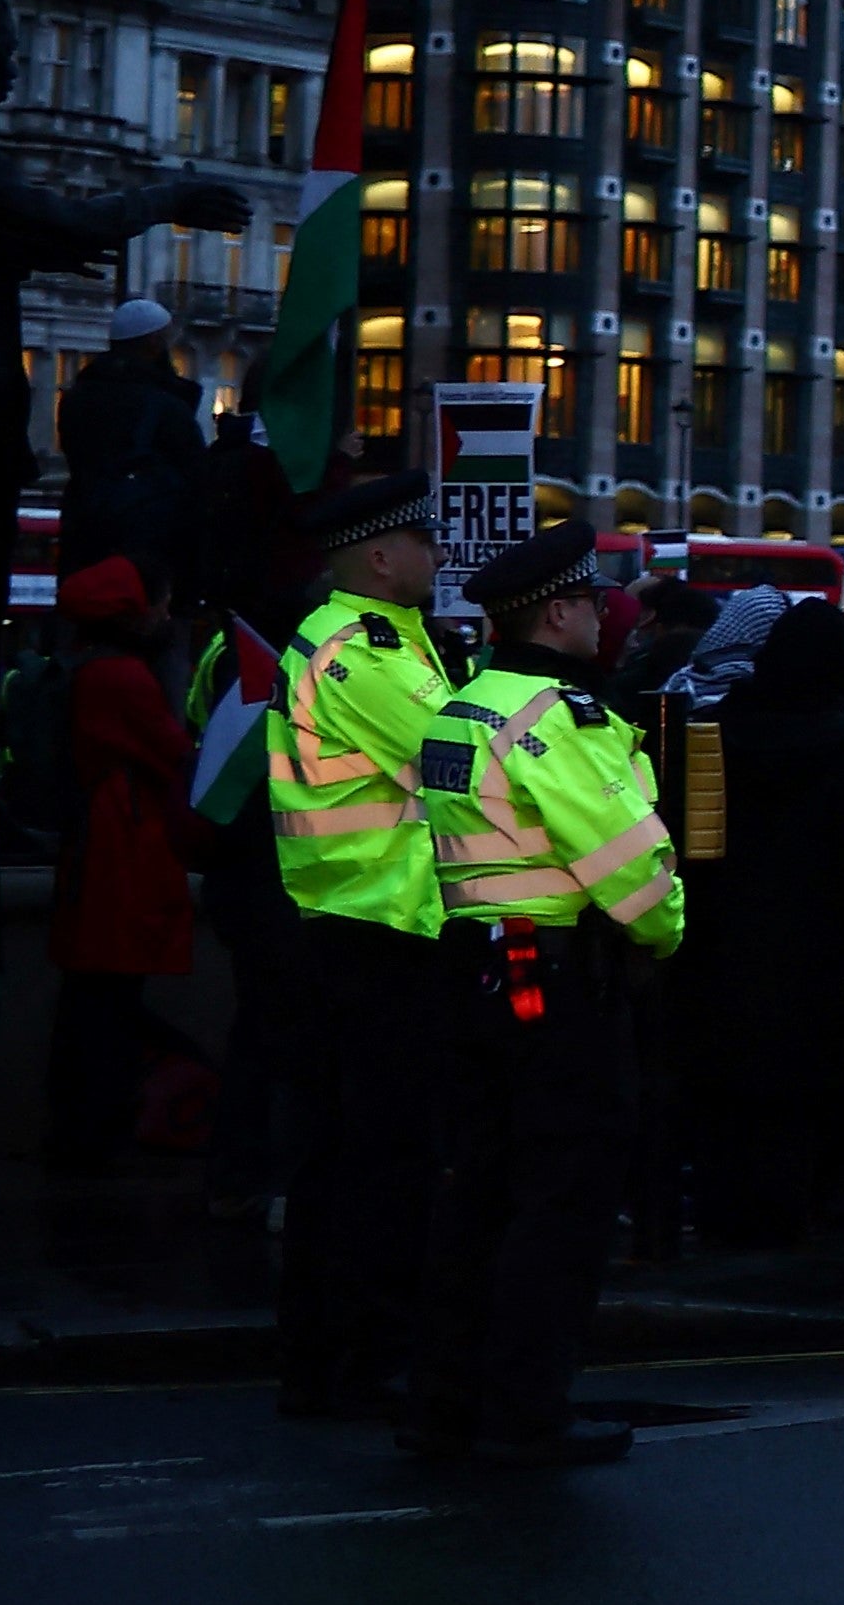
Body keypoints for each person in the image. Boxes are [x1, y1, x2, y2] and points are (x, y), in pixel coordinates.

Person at [406, 530, 677, 1469]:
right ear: (556, 611)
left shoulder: (463, 707)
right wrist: (664, 933)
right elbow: (634, 872)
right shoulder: (559, 718)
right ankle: (525, 1410)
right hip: (551, 979)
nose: (604, 616)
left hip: (474, 964)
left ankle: (447, 1399)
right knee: (560, 1199)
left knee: (477, 1191)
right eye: (593, 603)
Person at [264, 472, 450, 1423]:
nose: (435, 551)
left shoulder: (369, 642)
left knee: (343, 1160)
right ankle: (361, 1357)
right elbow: (468, 767)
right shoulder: (367, 657)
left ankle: (327, 1357)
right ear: (380, 556)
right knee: (379, 1163)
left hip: (354, 932)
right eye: (420, 539)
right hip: (379, 936)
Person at [693, 576, 844, 1246]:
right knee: (810, 1081)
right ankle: (806, 1208)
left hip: (728, 933)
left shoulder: (719, 730)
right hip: (819, 942)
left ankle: (729, 1211)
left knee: (733, 1085)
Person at [40, 555, 193, 1177]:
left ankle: (79, 1130)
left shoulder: (84, 671)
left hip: (96, 853)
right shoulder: (125, 679)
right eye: (157, 605)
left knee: (91, 999)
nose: (164, 615)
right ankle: (94, 1134)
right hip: (122, 857)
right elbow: (175, 753)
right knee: (109, 1001)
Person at [55, 297, 199, 569]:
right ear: (154, 342)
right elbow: (192, 473)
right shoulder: (165, 402)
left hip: (83, 531)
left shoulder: (77, 396)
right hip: (147, 542)